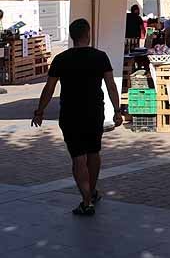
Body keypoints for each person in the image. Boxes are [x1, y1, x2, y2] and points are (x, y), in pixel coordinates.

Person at [31, 18, 122, 217]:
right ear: (88, 34)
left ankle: (86, 201)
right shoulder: (100, 57)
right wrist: (117, 110)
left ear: (72, 36)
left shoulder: (61, 59)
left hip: (71, 114)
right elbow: (111, 86)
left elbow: (49, 88)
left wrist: (40, 111)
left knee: (78, 159)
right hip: (95, 111)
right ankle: (92, 191)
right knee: (94, 152)